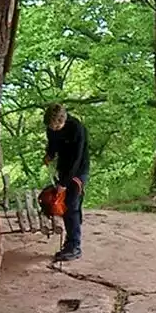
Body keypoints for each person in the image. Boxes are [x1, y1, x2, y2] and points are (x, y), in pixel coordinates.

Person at [43, 103, 89, 262]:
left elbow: (76, 159)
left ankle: (74, 245)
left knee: (71, 205)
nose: (53, 129)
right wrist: (50, 154)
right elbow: (53, 143)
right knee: (60, 203)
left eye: (56, 126)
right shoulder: (51, 128)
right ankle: (70, 241)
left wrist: (64, 183)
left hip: (78, 171)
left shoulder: (77, 129)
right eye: (51, 126)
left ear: (63, 120)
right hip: (63, 168)